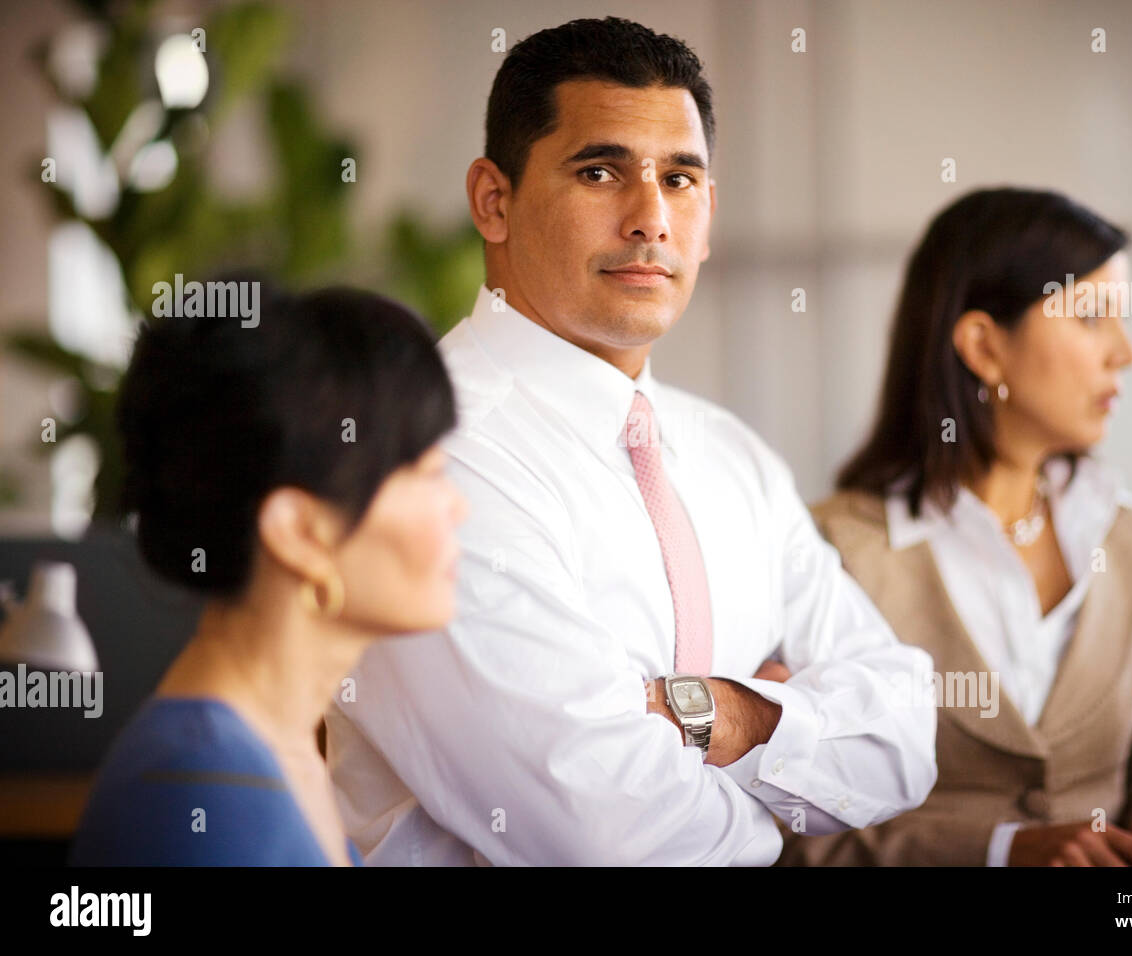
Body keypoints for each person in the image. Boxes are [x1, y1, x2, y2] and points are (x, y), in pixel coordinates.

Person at [325, 16, 937, 866]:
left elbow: (904, 737)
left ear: (709, 213)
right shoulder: (429, 452)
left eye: (680, 179)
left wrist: (719, 713)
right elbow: (604, 831)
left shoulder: (733, 458)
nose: (651, 218)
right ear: (492, 200)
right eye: (600, 170)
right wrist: (780, 790)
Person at [778, 187, 1132, 866]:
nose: (1124, 352)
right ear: (984, 346)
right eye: (1093, 318)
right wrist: (1001, 850)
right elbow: (801, 824)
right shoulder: (835, 548)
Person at [70, 283, 465, 866]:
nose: (458, 506)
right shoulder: (203, 799)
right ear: (300, 531)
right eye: (427, 473)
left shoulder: (273, 754)